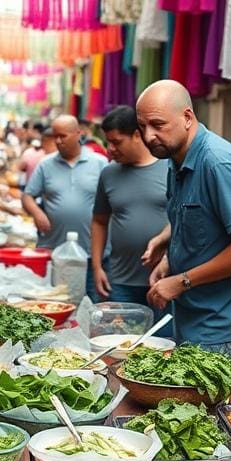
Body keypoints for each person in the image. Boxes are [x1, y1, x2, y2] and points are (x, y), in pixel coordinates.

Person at [139, 80, 231, 363]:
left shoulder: (218, 163)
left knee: (208, 408)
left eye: (158, 124)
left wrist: (181, 281)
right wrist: (167, 250)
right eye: (142, 127)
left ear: (187, 117)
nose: (148, 136)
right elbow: (197, 215)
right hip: (195, 315)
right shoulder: (176, 158)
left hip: (222, 324)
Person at [91, 106, 169, 309]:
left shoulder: (170, 169)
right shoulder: (108, 174)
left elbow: (183, 220)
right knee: (118, 338)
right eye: (108, 142)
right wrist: (97, 267)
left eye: (116, 142)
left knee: (163, 340)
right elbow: (99, 220)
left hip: (164, 279)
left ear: (137, 135)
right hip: (119, 281)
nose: (110, 149)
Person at [22, 115, 108, 299]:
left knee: (91, 304)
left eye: (63, 136)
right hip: (54, 250)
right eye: (55, 136)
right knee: (54, 301)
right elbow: (28, 196)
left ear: (78, 134)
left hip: (91, 252)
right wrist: (37, 212)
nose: (58, 141)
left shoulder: (99, 163)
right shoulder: (45, 164)